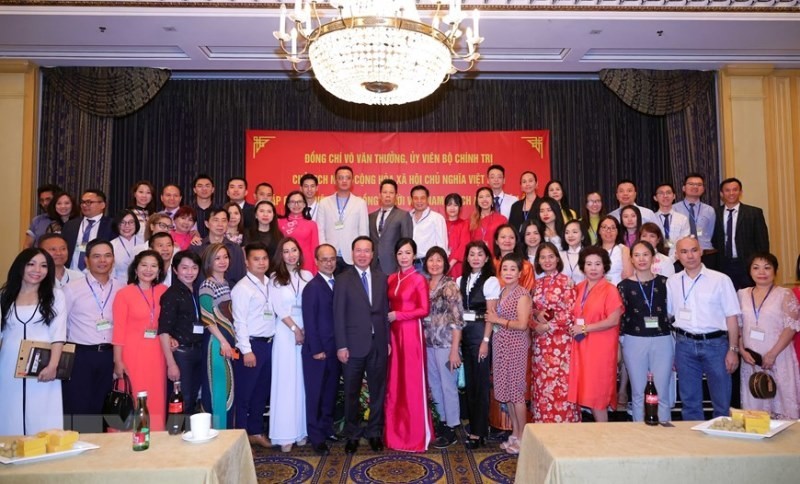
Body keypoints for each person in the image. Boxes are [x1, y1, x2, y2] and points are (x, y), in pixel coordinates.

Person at [667, 237, 741, 419]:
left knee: (721, 401)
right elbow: (669, 317)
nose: (690, 255)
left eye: (693, 250)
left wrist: (733, 350)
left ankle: (720, 444)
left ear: (701, 251)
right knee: (689, 402)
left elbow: (732, 317)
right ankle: (693, 445)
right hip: (684, 346)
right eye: (684, 252)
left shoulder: (720, 280)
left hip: (716, 345)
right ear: (677, 256)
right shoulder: (672, 282)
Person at [333, 236, 390, 455]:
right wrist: (341, 345)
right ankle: (353, 434)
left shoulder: (381, 278)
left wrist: (387, 342)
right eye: (358, 250)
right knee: (351, 393)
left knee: (378, 391)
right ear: (352, 253)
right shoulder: (343, 279)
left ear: (373, 254)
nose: (363, 254)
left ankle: (375, 433)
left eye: (367, 251)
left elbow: (384, 313)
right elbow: (338, 315)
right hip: (352, 346)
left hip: (378, 345)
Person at [0, 249, 66, 436]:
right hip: (7, 365)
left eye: (44, 265)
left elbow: (58, 334)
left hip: (43, 365)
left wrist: (53, 365)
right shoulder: (4, 296)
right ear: (21, 266)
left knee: (42, 415)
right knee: (9, 413)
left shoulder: (55, 296)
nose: (37, 269)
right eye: (31, 264)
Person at [62, 240, 121, 432]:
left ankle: (97, 453)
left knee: (102, 406)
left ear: (113, 259)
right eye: (96, 256)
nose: (102, 261)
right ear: (87, 261)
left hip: (108, 355)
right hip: (80, 355)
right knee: (78, 407)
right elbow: (60, 325)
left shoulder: (122, 288)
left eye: (107, 255)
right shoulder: (72, 289)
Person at [385, 238, 434, 452]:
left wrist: (399, 315)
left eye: (407, 253)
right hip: (394, 334)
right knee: (395, 383)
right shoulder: (391, 278)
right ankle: (395, 433)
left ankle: (416, 435)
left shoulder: (419, 280)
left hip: (411, 332)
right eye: (400, 253)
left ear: (414, 255)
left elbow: (424, 310)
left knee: (412, 383)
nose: (404, 257)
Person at [737, 253, 799, 419]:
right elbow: (739, 326)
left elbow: (791, 327)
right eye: (756, 268)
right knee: (756, 404)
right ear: (750, 272)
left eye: (767, 267)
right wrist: (742, 350)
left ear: (775, 271)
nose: (761, 272)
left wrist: (772, 354)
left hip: (779, 357)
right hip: (751, 360)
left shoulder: (784, 294)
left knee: (782, 403)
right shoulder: (742, 294)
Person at [112, 249, 168, 431]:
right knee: (133, 395)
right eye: (144, 265)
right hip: (131, 354)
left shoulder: (164, 291)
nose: (148, 270)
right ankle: (129, 438)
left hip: (157, 354)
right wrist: (117, 360)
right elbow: (118, 330)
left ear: (159, 270)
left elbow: (168, 323)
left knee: (155, 396)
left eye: (154, 266)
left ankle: (155, 435)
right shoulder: (124, 294)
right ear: (135, 269)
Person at [618, 241, 673, 423]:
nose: (641, 259)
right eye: (637, 255)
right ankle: (639, 435)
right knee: (638, 392)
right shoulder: (624, 286)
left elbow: (672, 312)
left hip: (663, 339)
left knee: (662, 390)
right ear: (631, 259)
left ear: (653, 257)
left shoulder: (666, 283)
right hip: (634, 340)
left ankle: (665, 430)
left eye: (645, 254)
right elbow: (621, 318)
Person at [567, 246, 624, 422]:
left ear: (604, 266)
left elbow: (613, 320)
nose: (593, 268)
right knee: (585, 391)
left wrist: (585, 329)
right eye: (589, 264)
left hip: (601, 348)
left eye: (597, 264)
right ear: (583, 267)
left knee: (597, 395)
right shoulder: (578, 287)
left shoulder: (610, 289)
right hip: (581, 347)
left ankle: (604, 436)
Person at [230, 243, 276, 448]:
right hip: (251, 346)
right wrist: (246, 350)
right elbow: (239, 321)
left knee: (261, 391)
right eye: (256, 259)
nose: (261, 262)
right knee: (245, 394)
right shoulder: (242, 288)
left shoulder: (271, 282)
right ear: (247, 262)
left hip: (268, 345)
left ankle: (256, 431)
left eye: (264, 258)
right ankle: (240, 436)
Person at [269, 237, 312, 452]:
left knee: (302, 381)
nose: (291, 255)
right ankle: (284, 434)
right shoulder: (275, 278)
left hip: (307, 329)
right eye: (286, 251)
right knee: (286, 382)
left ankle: (301, 431)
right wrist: (296, 330)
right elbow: (279, 309)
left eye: (294, 250)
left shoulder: (307, 275)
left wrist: (306, 330)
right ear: (281, 255)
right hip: (286, 332)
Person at [457, 241, 500, 449]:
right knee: (471, 385)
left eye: (480, 254)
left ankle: (480, 432)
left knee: (481, 385)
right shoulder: (460, 279)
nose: (475, 257)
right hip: (465, 335)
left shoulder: (491, 280)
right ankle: (474, 426)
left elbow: (491, 314)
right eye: (471, 254)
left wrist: (485, 341)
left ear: (486, 258)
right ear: (466, 257)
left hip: (481, 334)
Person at [530, 242, 579, 423]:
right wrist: (536, 318)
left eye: (551, 256)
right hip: (541, 346)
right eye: (543, 257)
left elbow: (571, 312)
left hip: (561, 343)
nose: (547, 260)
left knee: (561, 386)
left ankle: (565, 430)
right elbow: (532, 309)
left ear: (557, 259)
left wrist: (548, 326)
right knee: (542, 386)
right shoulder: (537, 283)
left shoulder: (566, 281)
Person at [489, 254, 532, 455]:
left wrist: (498, 320)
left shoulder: (522, 294)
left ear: (520, 273)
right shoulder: (502, 291)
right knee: (507, 394)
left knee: (516, 394)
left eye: (512, 269)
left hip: (515, 346)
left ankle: (524, 437)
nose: (508, 272)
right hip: (501, 345)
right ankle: (515, 433)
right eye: (505, 268)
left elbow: (523, 325)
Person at [422, 246, 464, 449]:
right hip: (428, 344)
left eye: (439, 260)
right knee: (435, 385)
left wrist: (455, 349)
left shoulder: (450, 286)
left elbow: (457, 319)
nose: (435, 264)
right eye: (431, 260)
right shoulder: (425, 284)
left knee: (448, 386)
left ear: (445, 263)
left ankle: (453, 426)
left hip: (446, 344)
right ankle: (442, 422)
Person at [301, 244, 340, 455]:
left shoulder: (337, 283)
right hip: (317, 352)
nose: (329, 262)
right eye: (324, 259)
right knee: (315, 395)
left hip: (334, 350)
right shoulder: (312, 287)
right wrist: (316, 349)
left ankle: (326, 429)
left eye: (332, 259)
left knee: (329, 393)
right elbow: (310, 320)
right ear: (316, 262)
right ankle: (316, 437)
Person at [157, 250, 204, 426]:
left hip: (198, 350)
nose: (189, 272)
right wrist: (171, 364)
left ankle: (190, 437)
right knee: (182, 399)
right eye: (184, 268)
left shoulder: (197, 290)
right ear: (175, 270)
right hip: (181, 354)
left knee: (193, 399)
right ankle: (175, 439)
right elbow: (163, 330)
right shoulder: (172, 294)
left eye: (194, 267)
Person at [198, 243, 236, 429]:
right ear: (209, 261)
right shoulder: (207, 284)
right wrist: (222, 341)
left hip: (227, 342)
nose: (222, 261)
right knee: (218, 390)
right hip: (216, 343)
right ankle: (218, 434)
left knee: (227, 388)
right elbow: (207, 317)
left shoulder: (226, 284)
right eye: (217, 258)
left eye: (225, 257)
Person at [712, 177, 770, 290]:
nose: (731, 193)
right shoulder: (714, 213)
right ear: (721, 193)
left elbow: (762, 241)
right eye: (727, 190)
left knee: (750, 297)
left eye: (735, 189)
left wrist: (761, 265)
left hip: (747, 264)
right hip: (723, 265)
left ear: (741, 192)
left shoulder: (754, 213)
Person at [317, 166, 369, 274]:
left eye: (347, 178)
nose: (344, 181)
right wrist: (324, 252)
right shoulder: (324, 203)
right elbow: (320, 230)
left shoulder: (360, 203)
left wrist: (360, 253)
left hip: (351, 257)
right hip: (330, 257)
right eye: (341, 178)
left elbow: (363, 231)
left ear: (352, 181)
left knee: (349, 289)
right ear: (335, 181)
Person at [62, 189, 116, 270]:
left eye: (89, 202)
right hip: (71, 272)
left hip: (98, 273)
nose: (84, 205)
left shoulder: (112, 225)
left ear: (102, 205)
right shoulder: (70, 225)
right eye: (82, 202)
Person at [369, 179, 412, 274]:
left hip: (393, 266)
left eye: (391, 193)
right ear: (380, 195)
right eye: (385, 192)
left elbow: (407, 243)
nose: (388, 195)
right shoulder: (371, 217)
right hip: (373, 265)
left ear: (396, 196)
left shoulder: (403, 215)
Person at [673, 173, 717, 267]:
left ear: (703, 189)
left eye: (699, 184)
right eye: (691, 184)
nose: (695, 187)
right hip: (682, 256)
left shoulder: (709, 210)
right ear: (683, 188)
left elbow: (710, 233)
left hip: (706, 255)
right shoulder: (674, 209)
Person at [192, 208, 246, 284]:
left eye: (224, 220)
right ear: (207, 223)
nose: (220, 224)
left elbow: (241, 278)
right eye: (216, 220)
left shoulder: (235, 249)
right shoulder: (196, 247)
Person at [279, 190, 319, 274]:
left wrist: (316, 270)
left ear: (304, 204)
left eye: (299, 202)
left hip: (307, 263)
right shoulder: (279, 222)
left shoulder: (312, 224)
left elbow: (314, 249)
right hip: (285, 262)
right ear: (287, 204)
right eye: (292, 202)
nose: (296, 205)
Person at [410, 185, 448, 271]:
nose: (419, 201)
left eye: (422, 198)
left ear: (427, 199)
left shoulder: (437, 218)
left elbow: (442, 245)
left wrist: (440, 267)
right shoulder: (407, 217)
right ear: (411, 200)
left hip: (428, 266)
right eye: (416, 198)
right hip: (409, 265)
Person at [493, 224, 535, 290]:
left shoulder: (526, 266)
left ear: (516, 241)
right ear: (496, 241)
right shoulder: (491, 264)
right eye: (503, 237)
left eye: (511, 237)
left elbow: (528, 292)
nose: (507, 240)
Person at [652, 182, 690, 255]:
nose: (665, 196)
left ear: (674, 196)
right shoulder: (651, 218)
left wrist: (672, 254)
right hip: (656, 257)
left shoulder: (682, 219)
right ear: (655, 198)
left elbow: (684, 240)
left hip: (678, 257)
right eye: (661, 193)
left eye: (668, 193)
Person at [595, 215, 633, 285]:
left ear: (617, 231)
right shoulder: (593, 250)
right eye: (604, 227)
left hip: (617, 290)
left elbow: (628, 275)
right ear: (599, 231)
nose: (608, 231)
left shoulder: (624, 250)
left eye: (613, 228)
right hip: (597, 290)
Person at [24, 183, 61, 248]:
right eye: (42, 200)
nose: (45, 203)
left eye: (48, 199)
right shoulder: (37, 220)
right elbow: (27, 245)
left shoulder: (67, 221)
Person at [444, 193, 470, 279]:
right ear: (445, 207)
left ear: (460, 208)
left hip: (457, 264)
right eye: (449, 205)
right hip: (442, 264)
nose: (452, 208)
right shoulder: (441, 223)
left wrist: (450, 264)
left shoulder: (465, 224)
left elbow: (464, 245)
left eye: (455, 205)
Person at [110, 210, 141, 281]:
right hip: (118, 284)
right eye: (122, 222)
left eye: (131, 222)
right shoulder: (111, 245)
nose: (127, 226)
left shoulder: (144, 244)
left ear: (136, 224)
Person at [560, 219, 590, 284]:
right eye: (567, 232)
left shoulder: (590, 255)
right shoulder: (559, 255)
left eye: (574, 232)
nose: (570, 236)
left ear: (582, 236)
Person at [190, 174, 216, 239]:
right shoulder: (188, 210)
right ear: (194, 190)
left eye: (207, 186)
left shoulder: (219, 210)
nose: (204, 189)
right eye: (200, 186)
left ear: (213, 189)